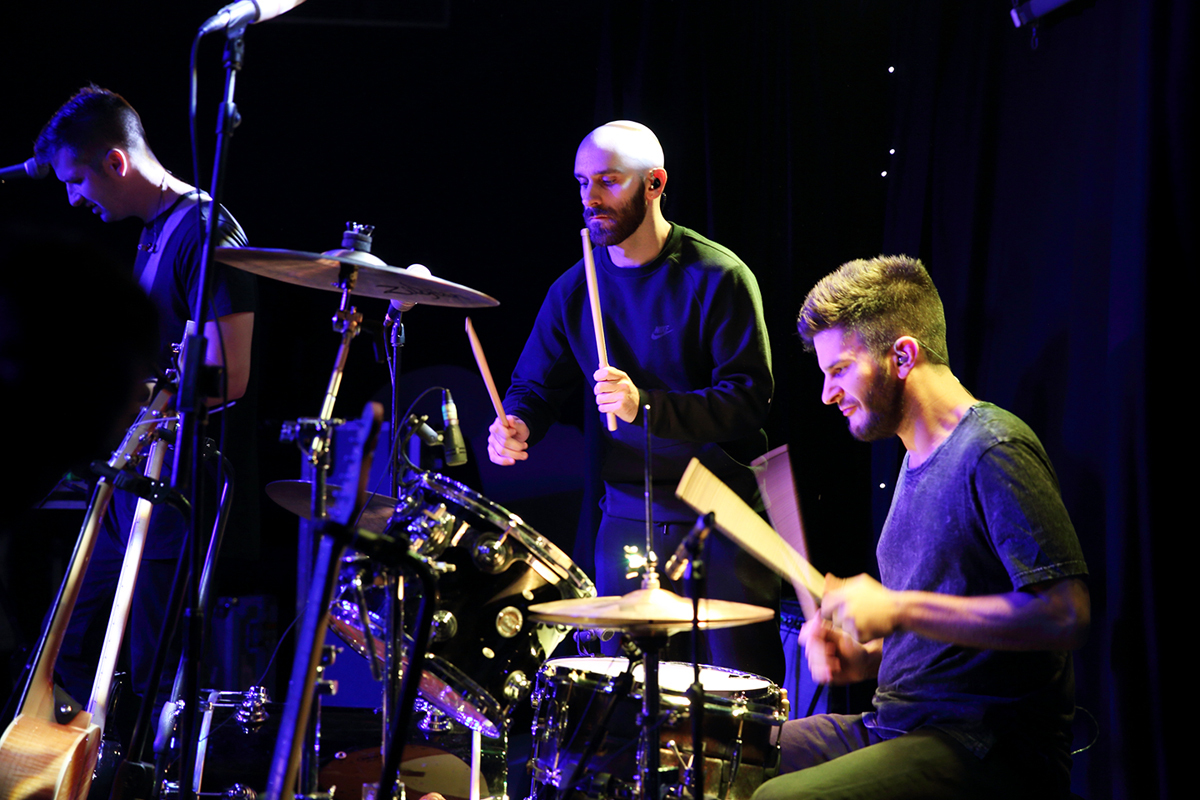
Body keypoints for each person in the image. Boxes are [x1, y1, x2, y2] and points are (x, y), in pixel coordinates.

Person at [753, 256, 1089, 800]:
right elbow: (955, 632)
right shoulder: (911, 462)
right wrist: (868, 655)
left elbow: (1066, 616)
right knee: (727, 755)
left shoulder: (992, 448)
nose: (826, 393)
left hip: (985, 744)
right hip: (897, 725)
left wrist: (898, 608)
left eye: (839, 369)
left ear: (903, 355)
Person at [487, 120, 782, 682]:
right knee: (624, 706)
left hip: (722, 516)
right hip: (625, 516)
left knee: (740, 701)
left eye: (608, 182)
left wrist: (643, 405)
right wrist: (518, 423)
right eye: (581, 183)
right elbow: (533, 386)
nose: (590, 199)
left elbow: (748, 402)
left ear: (654, 184)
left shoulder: (718, 276)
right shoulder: (574, 288)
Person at [32, 85, 255, 719]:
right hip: (135, 480)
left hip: (174, 487)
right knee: (61, 644)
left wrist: (124, 390)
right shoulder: (156, 232)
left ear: (115, 163)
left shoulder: (205, 230)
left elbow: (229, 376)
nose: (74, 199)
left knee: (160, 673)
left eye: (76, 181)